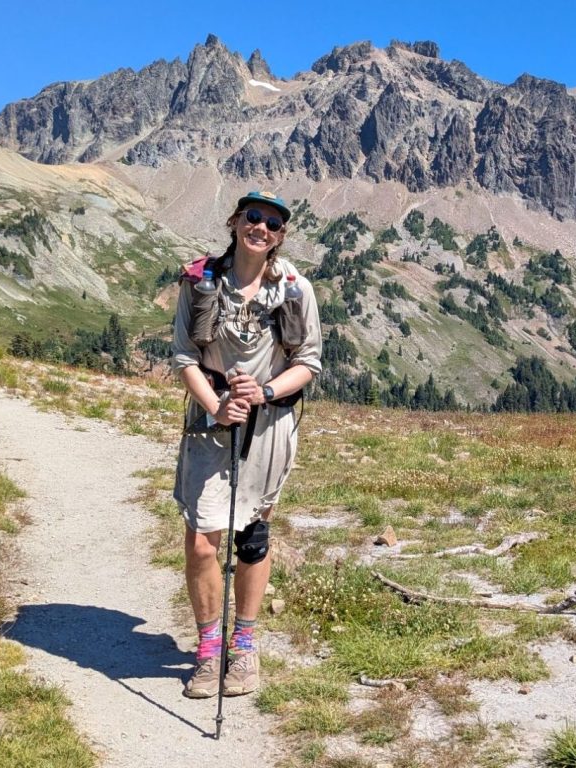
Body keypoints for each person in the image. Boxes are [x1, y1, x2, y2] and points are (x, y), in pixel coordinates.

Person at [171, 191, 322, 698]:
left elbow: (309, 364)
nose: (262, 227)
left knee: (253, 536)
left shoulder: (296, 289)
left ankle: (246, 648)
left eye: (274, 224)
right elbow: (183, 358)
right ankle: (209, 650)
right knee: (200, 539)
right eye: (253, 217)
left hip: (269, 425)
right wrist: (216, 407)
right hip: (211, 418)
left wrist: (265, 391)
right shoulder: (200, 282)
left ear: (280, 237)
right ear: (235, 222)